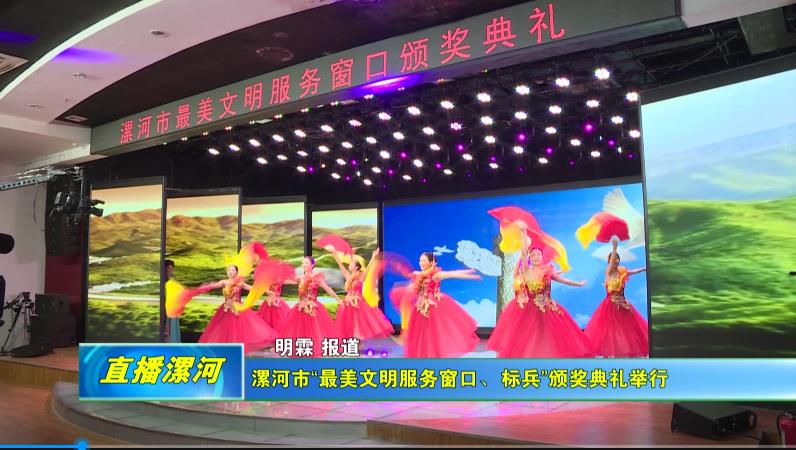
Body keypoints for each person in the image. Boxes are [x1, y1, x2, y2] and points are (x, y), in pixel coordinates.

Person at [487, 247, 595, 358]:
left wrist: (578, 284)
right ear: (529, 258)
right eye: (533, 255)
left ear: (542, 257)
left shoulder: (548, 271)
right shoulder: (526, 271)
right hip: (530, 310)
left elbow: (563, 280)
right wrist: (523, 237)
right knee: (530, 336)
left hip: (548, 308)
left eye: (538, 254)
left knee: (552, 335)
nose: (536, 257)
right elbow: (523, 255)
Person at [391, 252, 481, 358]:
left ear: (430, 262)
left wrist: (470, 274)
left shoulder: (436, 275)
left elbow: (453, 274)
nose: (421, 263)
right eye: (420, 261)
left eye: (424, 261)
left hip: (431, 308)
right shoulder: (418, 274)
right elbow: (411, 280)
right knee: (419, 338)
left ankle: (431, 357)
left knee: (431, 338)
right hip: (419, 309)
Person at [585, 240, 649, 357]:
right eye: (613, 259)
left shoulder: (622, 271)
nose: (615, 260)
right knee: (609, 329)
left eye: (617, 258)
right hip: (610, 305)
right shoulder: (608, 272)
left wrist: (644, 269)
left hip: (623, 304)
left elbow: (632, 272)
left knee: (628, 328)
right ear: (609, 261)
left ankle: (628, 350)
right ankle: (608, 351)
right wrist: (614, 248)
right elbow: (611, 263)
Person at [198, 264, 279, 353]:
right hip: (226, 309)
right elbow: (213, 286)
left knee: (239, 329)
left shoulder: (240, 283)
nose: (230, 272)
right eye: (229, 270)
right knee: (224, 329)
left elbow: (253, 289)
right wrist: (201, 289)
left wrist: (267, 292)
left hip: (238, 309)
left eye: (232, 270)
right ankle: (226, 349)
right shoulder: (224, 282)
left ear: (236, 272)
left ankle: (237, 349)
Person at [280, 256, 342, 357]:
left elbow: (328, 289)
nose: (304, 265)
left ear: (312, 265)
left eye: (306, 263)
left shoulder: (317, 278)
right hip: (300, 308)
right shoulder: (300, 278)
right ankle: (302, 348)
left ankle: (314, 349)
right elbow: (285, 280)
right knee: (300, 330)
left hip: (313, 308)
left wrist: (339, 300)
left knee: (314, 330)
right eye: (303, 263)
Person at [333, 249, 393, 340]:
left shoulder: (361, 277)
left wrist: (373, 257)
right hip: (348, 302)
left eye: (352, 264)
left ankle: (358, 340)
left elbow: (368, 268)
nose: (349, 265)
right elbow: (340, 265)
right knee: (349, 322)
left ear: (356, 267)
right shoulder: (348, 276)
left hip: (358, 302)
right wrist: (334, 254)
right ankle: (353, 340)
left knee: (359, 322)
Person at [163, 259, 180, 343]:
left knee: (172, 325)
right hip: (166, 304)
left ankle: (171, 341)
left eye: (171, 268)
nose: (170, 270)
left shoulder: (173, 279)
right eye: (168, 268)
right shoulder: (163, 279)